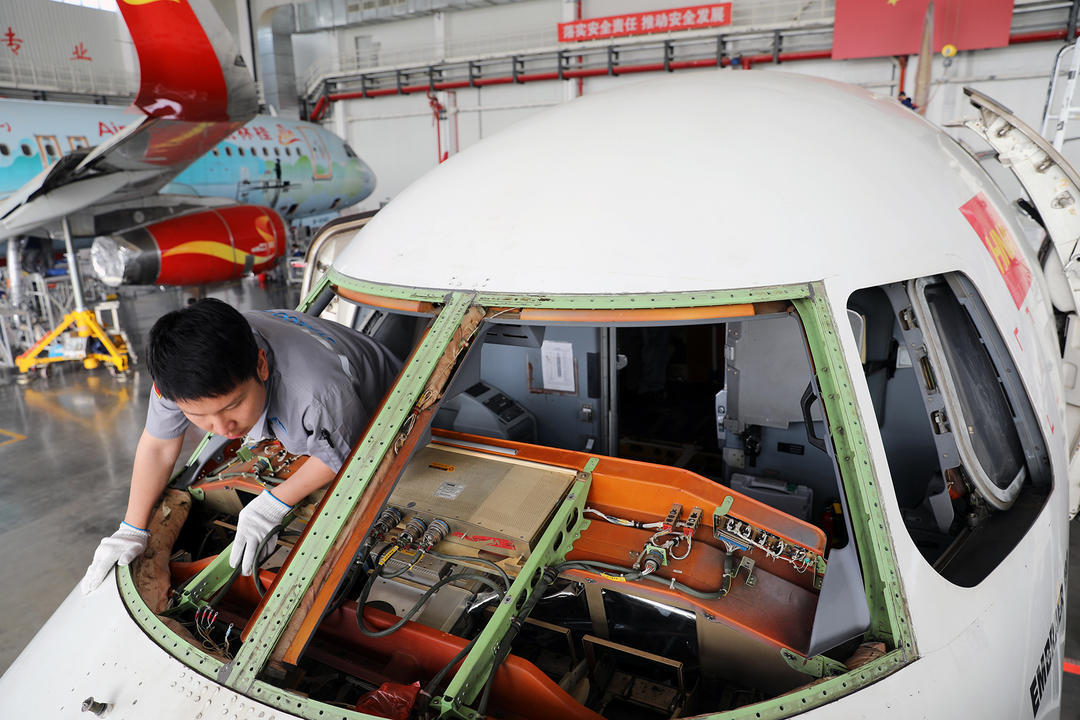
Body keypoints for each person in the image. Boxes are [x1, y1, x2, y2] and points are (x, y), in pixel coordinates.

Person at [80, 298, 401, 592]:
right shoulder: (179, 378)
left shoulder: (316, 395)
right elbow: (158, 446)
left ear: (261, 366)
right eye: (199, 416)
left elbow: (347, 454)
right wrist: (132, 528)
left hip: (386, 402)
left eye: (232, 406)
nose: (222, 428)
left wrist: (275, 503)